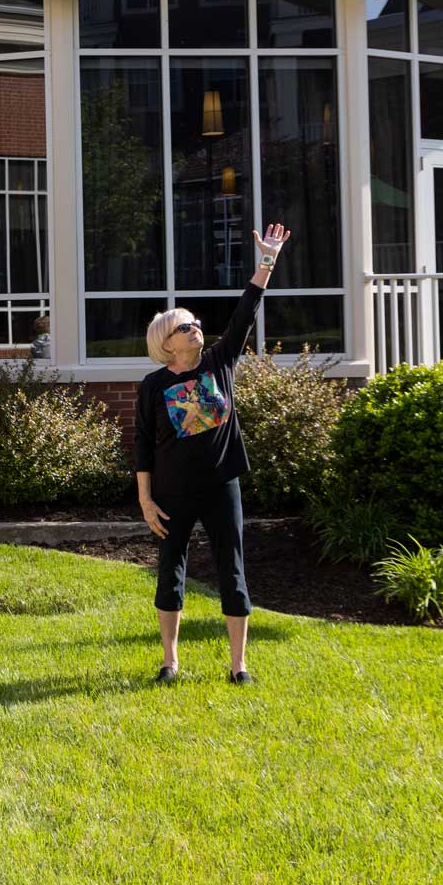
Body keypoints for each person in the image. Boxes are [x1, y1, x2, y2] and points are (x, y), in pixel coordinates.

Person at [133, 223, 291, 687]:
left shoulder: (220, 361)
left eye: (197, 322)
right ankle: (169, 662)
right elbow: (142, 444)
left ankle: (239, 665)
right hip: (172, 493)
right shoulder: (154, 386)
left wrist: (268, 259)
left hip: (222, 486)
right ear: (167, 343)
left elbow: (246, 311)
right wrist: (145, 500)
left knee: (232, 570)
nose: (196, 326)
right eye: (187, 326)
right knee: (171, 573)